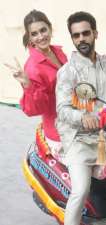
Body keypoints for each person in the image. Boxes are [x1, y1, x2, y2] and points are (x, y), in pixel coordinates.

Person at [55, 11, 106, 225]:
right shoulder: (67, 72)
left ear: (95, 34)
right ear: (72, 38)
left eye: (85, 33)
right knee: (80, 190)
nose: (81, 39)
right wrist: (83, 117)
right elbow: (62, 110)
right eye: (76, 35)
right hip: (80, 139)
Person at [4, 10, 67, 160]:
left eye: (43, 30)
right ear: (30, 38)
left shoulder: (58, 52)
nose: (41, 36)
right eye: (34, 33)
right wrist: (27, 84)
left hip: (78, 121)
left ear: (50, 29)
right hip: (60, 133)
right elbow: (35, 109)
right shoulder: (32, 67)